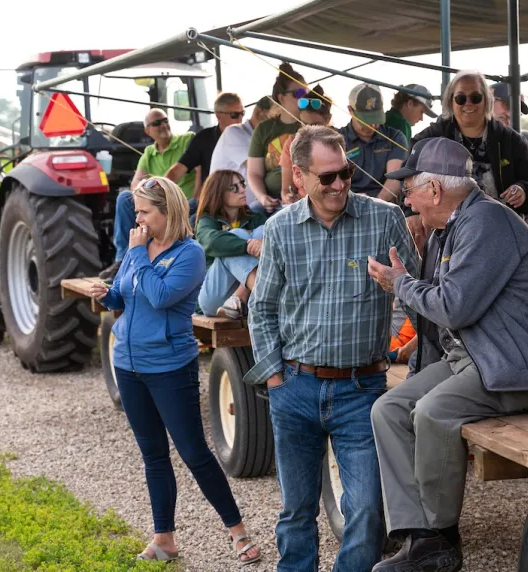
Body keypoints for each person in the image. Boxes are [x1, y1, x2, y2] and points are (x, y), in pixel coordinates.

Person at [366, 137, 528, 570]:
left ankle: (438, 539)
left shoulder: (485, 222)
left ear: (435, 191)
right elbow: (444, 306)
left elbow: (452, 306)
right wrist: (408, 278)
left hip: (518, 368)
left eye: (411, 192)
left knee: (432, 412)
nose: (409, 203)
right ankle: (418, 534)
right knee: (389, 409)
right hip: (480, 358)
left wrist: (399, 283)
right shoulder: (455, 224)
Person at [246, 125, 419, 572]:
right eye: (326, 177)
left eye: (344, 172)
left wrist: (419, 354)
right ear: (299, 177)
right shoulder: (280, 228)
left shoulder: (384, 218)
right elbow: (261, 309)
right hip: (295, 387)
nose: (340, 184)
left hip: (361, 390)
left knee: (365, 510)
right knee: (297, 511)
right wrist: (275, 376)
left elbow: (419, 296)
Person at [88, 177, 261, 565]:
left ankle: (238, 531)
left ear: (168, 212)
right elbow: (128, 295)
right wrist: (108, 294)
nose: (139, 220)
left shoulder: (190, 254)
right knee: (153, 456)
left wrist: (135, 255)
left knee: (194, 452)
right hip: (129, 366)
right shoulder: (143, 248)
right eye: (137, 212)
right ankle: (164, 538)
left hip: (169, 366)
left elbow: (162, 297)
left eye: (145, 212)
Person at [412, 70, 528, 219]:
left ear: (487, 100)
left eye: (476, 97)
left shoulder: (512, 140)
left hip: (501, 222)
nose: (468, 103)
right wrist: (412, 213)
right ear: (450, 101)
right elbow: (408, 177)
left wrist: (523, 190)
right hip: (444, 225)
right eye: (460, 98)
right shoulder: (430, 138)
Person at [100, 108, 194, 280]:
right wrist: (144, 195)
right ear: (147, 131)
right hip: (156, 203)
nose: (163, 125)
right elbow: (136, 182)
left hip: (184, 202)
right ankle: (122, 259)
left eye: (165, 120)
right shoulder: (149, 153)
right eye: (156, 123)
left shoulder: (187, 140)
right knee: (123, 198)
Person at [195, 169, 267, 319]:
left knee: (262, 231)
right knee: (235, 235)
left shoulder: (256, 218)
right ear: (219, 192)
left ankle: (240, 296)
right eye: (234, 188)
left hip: (247, 301)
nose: (242, 190)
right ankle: (263, 291)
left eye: (242, 184)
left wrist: (262, 244)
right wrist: (248, 246)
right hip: (214, 299)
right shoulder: (206, 221)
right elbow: (212, 241)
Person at [166, 92, 246, 207]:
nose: (240, 119)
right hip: (211, 199)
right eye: (234, 115)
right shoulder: (204, 138)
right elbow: (177, 170)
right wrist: (160, 189)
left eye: (242, 114)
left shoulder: (248, 137)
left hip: (241, 197)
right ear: (219, 116)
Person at [248, 63, 308, 212]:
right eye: (298, 93)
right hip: (272, 202)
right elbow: (254, 173)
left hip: (303, 199)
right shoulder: (264, 129)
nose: (304, 98)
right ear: (281, 98)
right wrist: (262, 197)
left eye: (307, 93)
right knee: (253, 212)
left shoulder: (311, 126)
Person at [340, 83, 408, 201]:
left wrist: (375, 205)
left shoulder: (395, 137)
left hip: (384, 205)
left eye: (376, 118)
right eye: (365, 121)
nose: (372, 125)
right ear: (350, 110)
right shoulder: (336, 140)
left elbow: (395, 178)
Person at [209, 96, 273, 209]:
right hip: (229, 215)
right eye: (276, 118)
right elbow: (261, 167)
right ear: (260, 113)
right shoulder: (234, 133)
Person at [280, 84, 332, 203]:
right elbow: (285, 190)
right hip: (302, 204)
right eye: (304, 123)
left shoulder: (339, 142)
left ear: (328, 119)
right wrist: (288, 197)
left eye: (315, 125)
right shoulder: (292, 143)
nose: (309, 130)